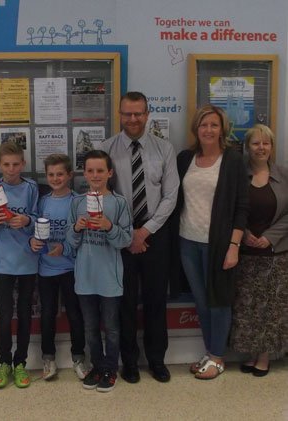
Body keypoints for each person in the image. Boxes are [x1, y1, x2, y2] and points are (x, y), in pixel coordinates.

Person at [100, 91, 179, 383]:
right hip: (119, 235)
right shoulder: (106, 148)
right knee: (125, 302)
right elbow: (102, 194)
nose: (132, 119)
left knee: (156, 300)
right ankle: (129, 361)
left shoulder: (165, 149)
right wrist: (127, 234)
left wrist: (144, 231)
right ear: (120, 114)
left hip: (155, 235)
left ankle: (157, 360)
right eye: (127, 114)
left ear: (147, 114)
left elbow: (170, 196)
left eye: (138, 113)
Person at [174, 105, 249, 380]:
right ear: (196, 128)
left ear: (222, 129)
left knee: (219, 301)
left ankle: (218, 358)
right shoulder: (185, 158)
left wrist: (234, 245)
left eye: (214, 125)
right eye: (204, 125)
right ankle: (210, 352)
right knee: (202, 302)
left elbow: (242, 205)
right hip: (187, 241)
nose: (208, 130)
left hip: (218, 244)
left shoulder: (233, 160)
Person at [67, 150, 132, 392]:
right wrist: (76, 227)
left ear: (110, 173)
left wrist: (108, 226)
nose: (95, 175)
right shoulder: (76, 203)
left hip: (110, 278)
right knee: (90, 327)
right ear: (84, 174)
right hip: (85, 277)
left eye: (100, 171)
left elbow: (125, 240)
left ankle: (110, 368)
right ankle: (96, 366)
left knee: (112, 327)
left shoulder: (119, 203)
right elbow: (70, 243)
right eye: (90, 171)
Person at [230, 124, 288, 376]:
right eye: (256, 143)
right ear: (247, 146)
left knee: (270, 308)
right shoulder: (237, 176)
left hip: (275, 254)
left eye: (266, 143)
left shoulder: (284, 175)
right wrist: (244, 236)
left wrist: (269, 238)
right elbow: (231, 211)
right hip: (245, 254)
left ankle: (264, 356)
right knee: (248, 307)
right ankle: (252, 353)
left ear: (272, 147)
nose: (261, 148)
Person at [28, 154, 88, 381]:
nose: (55, 178)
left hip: (72, 269)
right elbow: (33, 231)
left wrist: (65, 249)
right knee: (47, 314)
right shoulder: (42, 202)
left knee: (75, 314)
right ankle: (48, 358)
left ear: (69, 175)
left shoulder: (77, 201)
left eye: (60, 174)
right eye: (51, 174)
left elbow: (81, 235)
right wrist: (32, 242)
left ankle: (79, 357)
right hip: (46, 270)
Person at [0, 141, 39, 389]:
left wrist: (26, 220)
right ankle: (4, 361)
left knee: (25, 314)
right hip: (4, 263)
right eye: (6, 164)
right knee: (5, 315)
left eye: (15, 164)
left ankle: (21, 363)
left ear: (23, 164)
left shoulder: (31, 188)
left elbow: (39, 219)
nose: (11, 169)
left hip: (28, 261)